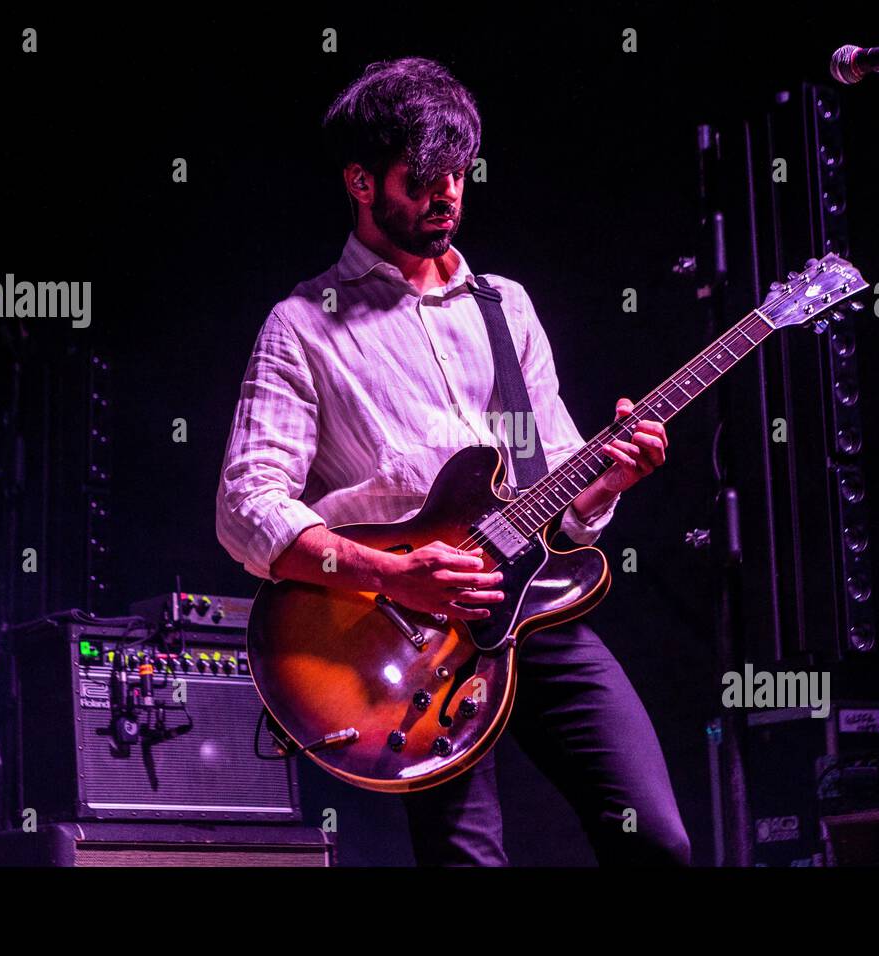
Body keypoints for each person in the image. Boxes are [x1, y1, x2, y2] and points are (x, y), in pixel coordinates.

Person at [216, 56, 690, 866]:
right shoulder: (301, 324)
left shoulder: (506, 307)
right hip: (408, 642)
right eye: (422, 179)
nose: (447, 196)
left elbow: (556, 481)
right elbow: (247, 507)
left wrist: (606, 478)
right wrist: (389, 574)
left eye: (460, 175)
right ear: (361, 182)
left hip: (536, 606)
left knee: (659, 842)